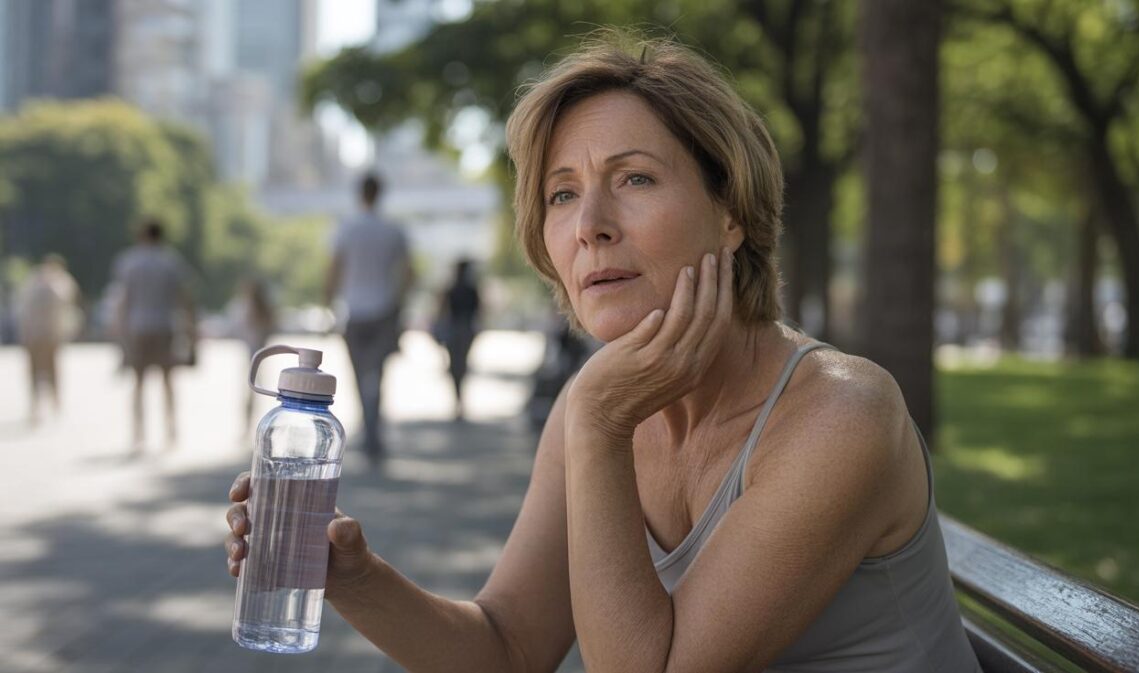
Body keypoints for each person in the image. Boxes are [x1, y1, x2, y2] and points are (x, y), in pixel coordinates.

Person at [227, 36, 981, 672]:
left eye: (635, 179)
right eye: (561, 194)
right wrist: (354, 578)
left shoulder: (841, 413)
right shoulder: (599, 409)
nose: (590, 224)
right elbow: (509, 646)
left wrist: (596, 418)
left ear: (730, 212)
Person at [324, 172, 414, 464]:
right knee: (377, 374)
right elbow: (408, 273)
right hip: (384, 311)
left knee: (359, 374)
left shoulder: (346, 228)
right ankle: (374, 430)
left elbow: (334, 270)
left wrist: (327, 305)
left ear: (359, 193)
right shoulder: (393, 230)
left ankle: (369, 429)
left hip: (354, 312)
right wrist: (399, 304)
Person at [113, 218, 196, 451]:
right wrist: (191, 331)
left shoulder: (129, 261)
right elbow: (183, 298)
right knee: (168, 381)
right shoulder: (171, 261)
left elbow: (124, 300)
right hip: (165, 326)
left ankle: (138, 433)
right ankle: (171, 430)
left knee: (138, 383)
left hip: (138, 327)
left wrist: (120, 332)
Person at [16, 254, 80, 425]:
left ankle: (54, 402)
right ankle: (37, 405)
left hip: (50, 334)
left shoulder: (61, 283)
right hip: (38, 333)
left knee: (51, 370)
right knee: (35, 371)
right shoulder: (35, 282)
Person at [226, 275, 276, 436]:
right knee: (255, 390)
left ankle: (249, 426)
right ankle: (249, 426)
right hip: (258, 352)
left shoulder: (252, 308)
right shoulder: (262, 308)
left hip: (255, 353)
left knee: (252, 390)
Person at [434, 258, 482, 420]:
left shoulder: (453, 289)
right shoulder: (470, 289)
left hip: (456, 330)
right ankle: (459, 399)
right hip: (464, 330)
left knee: (456, 365)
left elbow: (441, 310)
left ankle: (458, 399)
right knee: (460, 365)